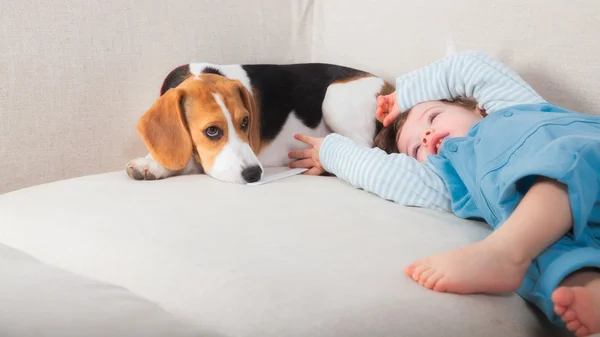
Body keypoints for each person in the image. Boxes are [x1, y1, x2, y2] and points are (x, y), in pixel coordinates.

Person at [288, 51, 600, 337]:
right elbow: (385, 174)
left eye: (434, 117)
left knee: (561, 159)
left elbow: (471, 68)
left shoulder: (511, 108)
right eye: (415, 149)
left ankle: (505, 252)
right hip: (570, 226)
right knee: (548, 258)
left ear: (475, 107)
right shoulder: (447, 177)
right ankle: (590, 290)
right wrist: (330, 151)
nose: (425, 136)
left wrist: (405, 96)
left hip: (587, 160)